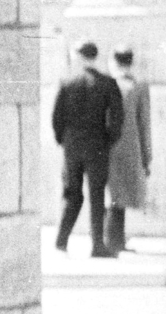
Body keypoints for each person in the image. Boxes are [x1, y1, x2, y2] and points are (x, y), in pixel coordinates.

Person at [52, 40, 125, 257]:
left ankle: (61, 240)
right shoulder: (108, 83)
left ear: (81, 57)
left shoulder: (67, 82)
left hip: (72, 148)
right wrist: (108, 140)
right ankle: (97, 245)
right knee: (96, 196)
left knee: (71, 195)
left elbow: (57, 118)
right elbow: (117, 119)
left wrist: (64, 142)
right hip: (98, 147)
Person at [105, 46, 151, 252]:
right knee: (121, 195)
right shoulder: (139, 86)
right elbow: (144, 124)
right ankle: (116, 239)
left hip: (107, 146)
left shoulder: (106, 83)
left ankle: (113, 239)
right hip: (131, 147)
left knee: (113, 194)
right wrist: (147, 156)